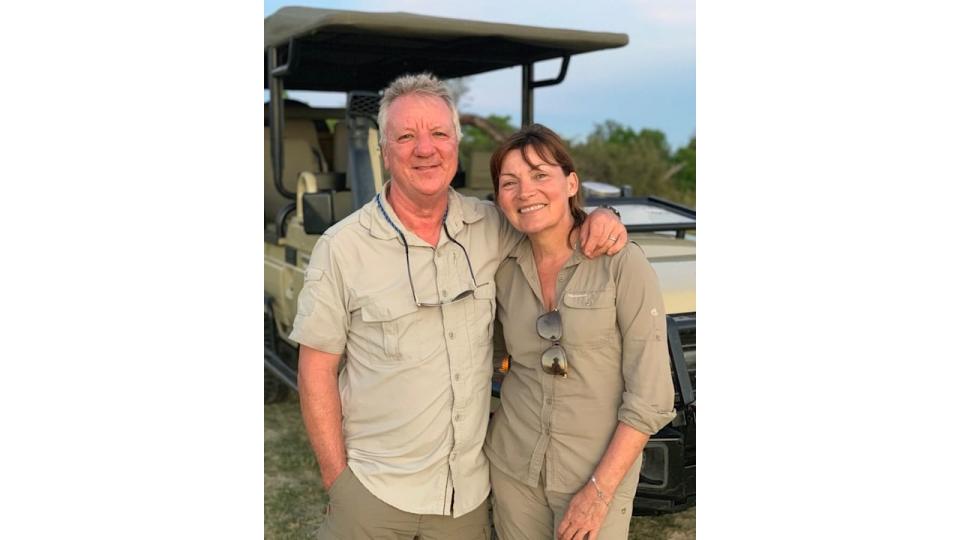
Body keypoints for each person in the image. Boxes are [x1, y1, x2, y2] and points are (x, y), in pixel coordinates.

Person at [289, 73, 628, 539]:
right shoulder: (342, 247)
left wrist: (603, 216)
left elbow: (553, 220)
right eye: (406, 136)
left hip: (464, 501)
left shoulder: (492, 225)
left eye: (439, 134)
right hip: (372, 492)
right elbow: (316, 370)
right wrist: (338, 481)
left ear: (456, 143)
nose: (425, 149)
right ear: (385, 151)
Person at [485, 124, 677, 540]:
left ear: (571, 183)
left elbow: (651, 397)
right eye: (509, 182)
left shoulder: (622, 264)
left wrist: (598, 492)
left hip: (594, 473)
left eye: (540, 175)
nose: (525, 192)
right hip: (514, 467)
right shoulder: (500, 267)